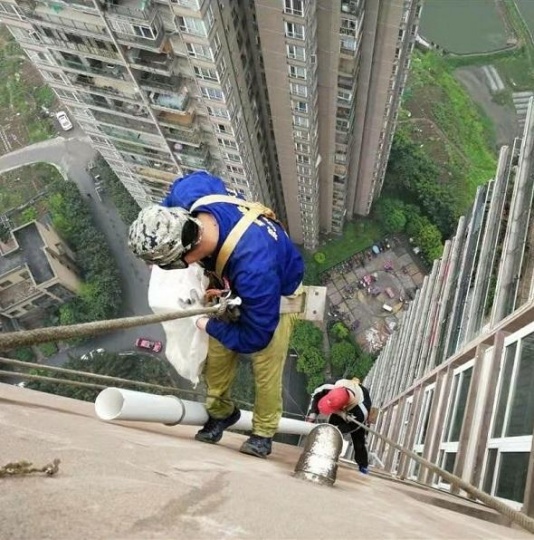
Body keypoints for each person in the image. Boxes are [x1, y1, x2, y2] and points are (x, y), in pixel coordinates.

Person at [128, 170, 304, 458]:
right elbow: (180, 188)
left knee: (265, 372)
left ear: (186, 254)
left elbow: (254, 338)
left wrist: (202, 323)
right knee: (215, 365)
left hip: (273, 300)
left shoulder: (253, 268)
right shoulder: (193, 197)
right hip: (227, 288)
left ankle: (263, 432)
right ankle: (223, 413)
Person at [307, 378, 372, 474]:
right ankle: (323, 455)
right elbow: (317, 394)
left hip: (353, 414)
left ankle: (363, 465)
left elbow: (354, 426)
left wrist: (337, 430)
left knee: (358, 441)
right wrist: (313, 412)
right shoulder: (332, 386)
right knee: (330, 428)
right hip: (342, 403)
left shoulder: (361, 411)